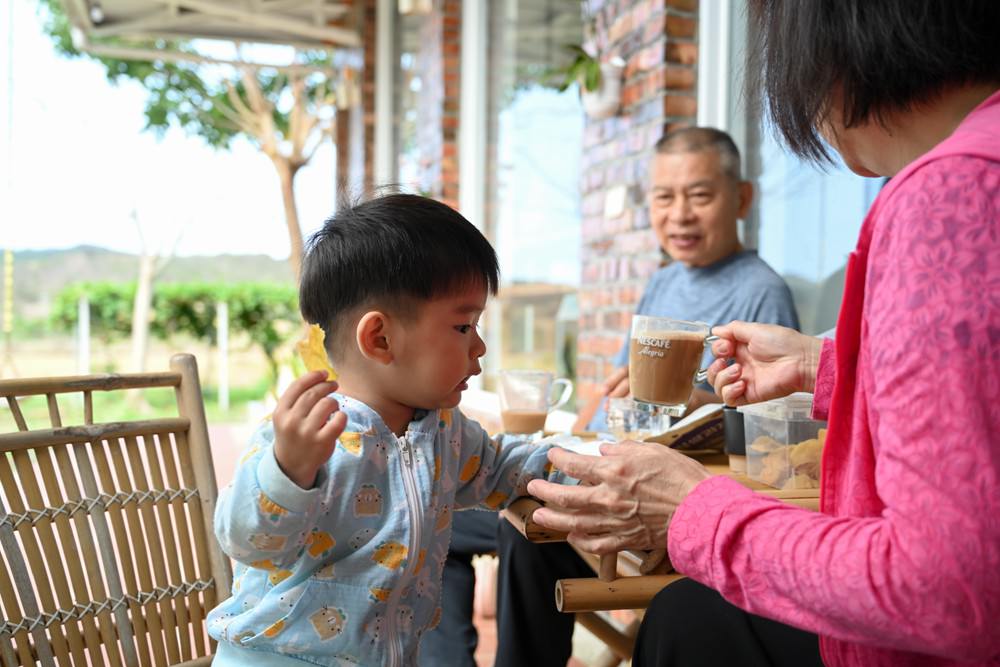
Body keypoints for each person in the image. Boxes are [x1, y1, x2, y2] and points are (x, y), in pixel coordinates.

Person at [526, 2, 1000, 666]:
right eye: (663, 198)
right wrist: (826, 365)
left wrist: (692, 508)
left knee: (685, 619)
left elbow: (945, 586)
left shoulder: (953, 192)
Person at [206, 194, 571, 666]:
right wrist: (287, 473)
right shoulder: (311, 436)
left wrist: (586, 465)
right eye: (464, 326)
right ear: (380, 338)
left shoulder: (443, 430)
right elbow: (246, 542)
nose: (479, 346)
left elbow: (502, 466)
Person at [493, 127, 801, 667]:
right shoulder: (663, 282)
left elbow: (770, 432)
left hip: (684, 498)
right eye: (664, 197)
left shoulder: (762, 292)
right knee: (525, 525)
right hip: (628, 466)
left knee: (531, 525)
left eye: (699, 195)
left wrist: (693, 401)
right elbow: (623, 390)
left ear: (741, 199)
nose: (679, 215)